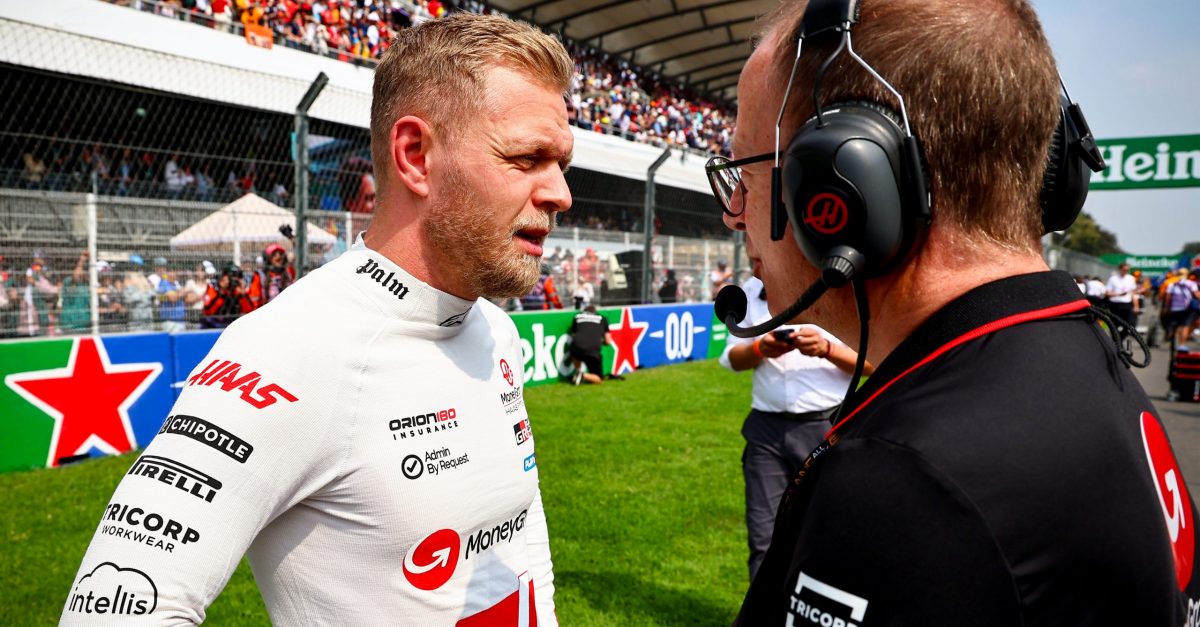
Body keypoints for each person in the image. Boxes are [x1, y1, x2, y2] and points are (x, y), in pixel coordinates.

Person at [62, 13, 572, 625]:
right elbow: (110, 610)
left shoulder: (497, 330)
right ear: (415, 156)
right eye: (526, 157)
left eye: (561, 163)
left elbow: (523, 548)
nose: (561, 193)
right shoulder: (284, 350)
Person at [717, 0, 1198, 624]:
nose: (733, 213)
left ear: (842, 186)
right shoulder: (1077, 356)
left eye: (746, 173)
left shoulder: (908, 480)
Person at [720, 277, 871, 580]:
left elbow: (871, 364)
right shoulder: (750, 290)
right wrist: (762, 348)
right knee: (763, 534)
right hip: (766, 429)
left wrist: (827, 348)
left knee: (826, 532)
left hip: (827, 430)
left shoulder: (843, 286)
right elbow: (732, 360)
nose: (754, 255)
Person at [567, 304, 612, 385]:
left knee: (574, 350)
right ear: (595, 312)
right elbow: (608, 341)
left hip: (576, 348)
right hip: (593, 351)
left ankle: (578, 372)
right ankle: (582, 375)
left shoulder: (577, 316)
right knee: (599, 379)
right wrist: (599, 342)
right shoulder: (603, 318)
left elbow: (574, 335)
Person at [201, 263, 254, 328]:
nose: (235, 279)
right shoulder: (213, 287)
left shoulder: (238, 290)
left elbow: (249, 312)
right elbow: (208, 312)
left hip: (232, 325)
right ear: (223, 276)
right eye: (232, 276)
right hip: (212, 325)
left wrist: (243, 295)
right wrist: (222, 292)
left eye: (238, 276)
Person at [247, 243, 296, 309]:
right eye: (274, 254)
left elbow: (294, 258)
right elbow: (255, 300)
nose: (278, 256)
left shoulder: (288, 272)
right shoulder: (260, 275)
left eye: (281, 254)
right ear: (267, 258)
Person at [1106, 262, 1139, 328]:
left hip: (1126, 304)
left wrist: (1136, 306)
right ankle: (1115, 338)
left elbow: (1133, 293)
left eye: (1127, 270)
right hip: (1115, 304)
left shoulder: (1131, 278)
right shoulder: (1113, 279)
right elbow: (1107, 293)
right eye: (1124, 270)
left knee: (1130, 324)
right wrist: (1118, 294)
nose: (1126, 271)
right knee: (1114, 325)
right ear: (1120, 269)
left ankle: (1121, 337)